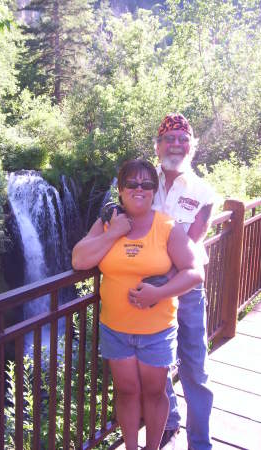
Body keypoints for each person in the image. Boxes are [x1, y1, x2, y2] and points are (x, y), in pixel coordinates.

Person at [72, 159, 204, 450]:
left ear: (154, 191)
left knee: (156, 393)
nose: (139, 189)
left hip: (157, 330)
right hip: (115, 329)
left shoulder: (167, 227)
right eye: (131, 183)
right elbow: (79, 259)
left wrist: (158, 294)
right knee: (126, 391)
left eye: (146, 184)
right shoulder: (108, 221)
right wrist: (113, 232)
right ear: (120, 190)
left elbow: (195, 272)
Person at [152, 113, 216, 450]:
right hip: (151, 287)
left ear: (192, 146)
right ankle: (169, 421)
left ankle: (200, 442)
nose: (175, 144)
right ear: (158, 145)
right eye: (168, 139)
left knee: (194, 366)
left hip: (187, 289)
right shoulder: (145, 182)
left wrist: (164, 287)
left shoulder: (204, 192)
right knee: (156, 360)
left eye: (182, 138)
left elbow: (191, 244)